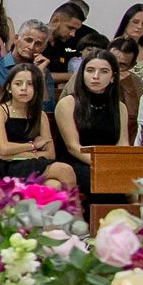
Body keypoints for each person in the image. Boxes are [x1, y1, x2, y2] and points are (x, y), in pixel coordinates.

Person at [0, 63, 76, 188]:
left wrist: (19, 155)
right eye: (18, 83)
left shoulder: (40, 115)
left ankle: (61, 207)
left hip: (25, 161)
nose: (24, 88)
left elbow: (50, 153)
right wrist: (33, 145)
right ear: (9, 87)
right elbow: (4, 149)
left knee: (54, 185)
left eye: (30, 84)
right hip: (3, 166)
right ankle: (73, 207)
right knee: (65, 170)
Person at [55, 50, 128, 189]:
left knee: (136, 178)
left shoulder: (120, 107)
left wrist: (117, 165)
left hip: (109, 162)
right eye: (90, 70)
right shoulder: (68, 103)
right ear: (82, 74)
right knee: (100, 179)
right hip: (75, 161)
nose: (96, 76)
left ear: (113, 77)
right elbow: (73, 147)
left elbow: (122, 144)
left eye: (104, 71)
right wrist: (102, 164)